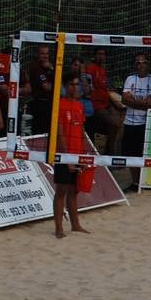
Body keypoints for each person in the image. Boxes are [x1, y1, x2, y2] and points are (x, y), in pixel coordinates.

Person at [53, 75, 91, 239]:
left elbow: (81, 130)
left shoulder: (79, 105)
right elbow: (59, 133)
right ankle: (59, 228)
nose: (75, 87)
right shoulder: (59, 105)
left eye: (77, 84)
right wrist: (67, 157)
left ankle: (75, 225)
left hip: (77, 153)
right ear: (65, 86)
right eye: (71, 84)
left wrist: (84, 154)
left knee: (74, 191)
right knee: (61, 190)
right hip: (63, 154)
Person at [120, 53, 151, 191]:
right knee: (131, 155)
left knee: (143, 154)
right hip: (129, 122)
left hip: (145, 122)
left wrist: (134, 102)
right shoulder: (130, 78)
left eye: (143, 62)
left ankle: (144, 182)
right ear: (135, 65)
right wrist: (142, 103)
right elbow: (124, 99)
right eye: (138, 63)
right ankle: (135, 183)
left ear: (148, 64)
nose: (141, 65)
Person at [85, 48, 123, 153]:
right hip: (96, 104)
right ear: (94, 55)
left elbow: (104, 88)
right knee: (114, 124)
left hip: (106, 103)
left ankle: (108, 150)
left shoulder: (103, 70)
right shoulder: (90, 68)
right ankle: (110, 152)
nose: (101, 56)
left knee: (118, 122)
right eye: (99, 54)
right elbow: (88, 86)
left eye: (103, 54)